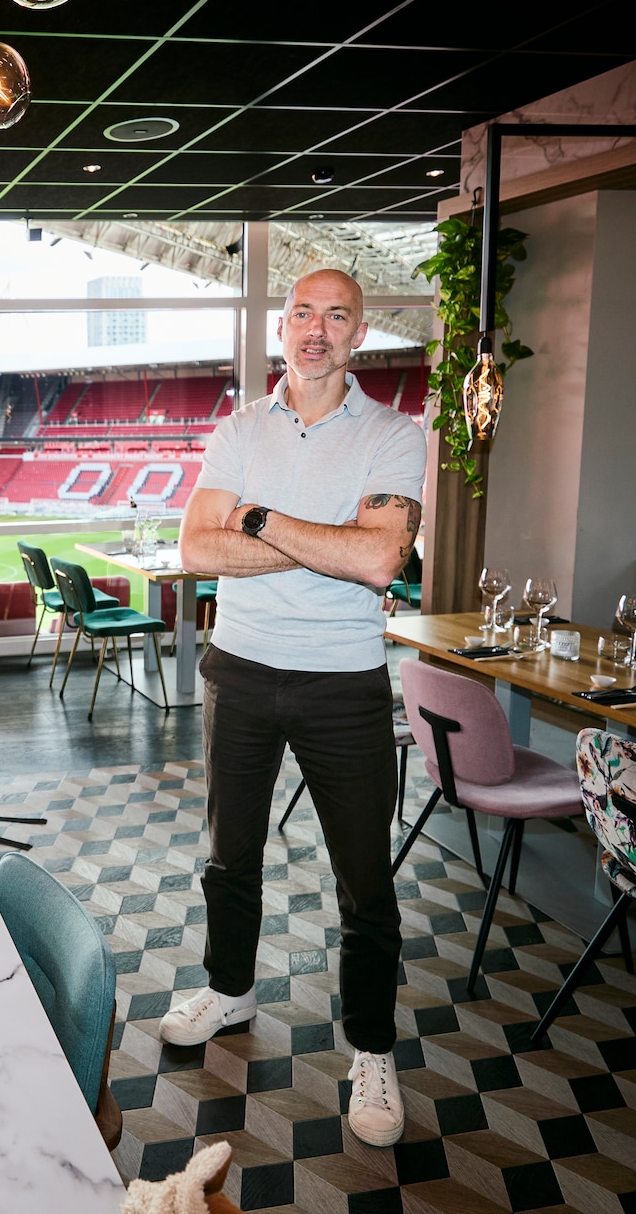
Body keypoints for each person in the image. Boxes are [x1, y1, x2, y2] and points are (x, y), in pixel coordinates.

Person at [169, 268, 427, 1148]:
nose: (317, 330)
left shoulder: (396, 433)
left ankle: (371, 1047)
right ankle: (231, 985)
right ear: (284, 325)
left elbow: (381, 563)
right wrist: (331, 541)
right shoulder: (239, 427)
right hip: (239, 669)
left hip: (342, 680)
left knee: (367, 883)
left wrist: (261, 519)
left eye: (338, 316)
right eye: (304, 312)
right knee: (228, 855)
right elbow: (197, 548)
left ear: (361, 333)